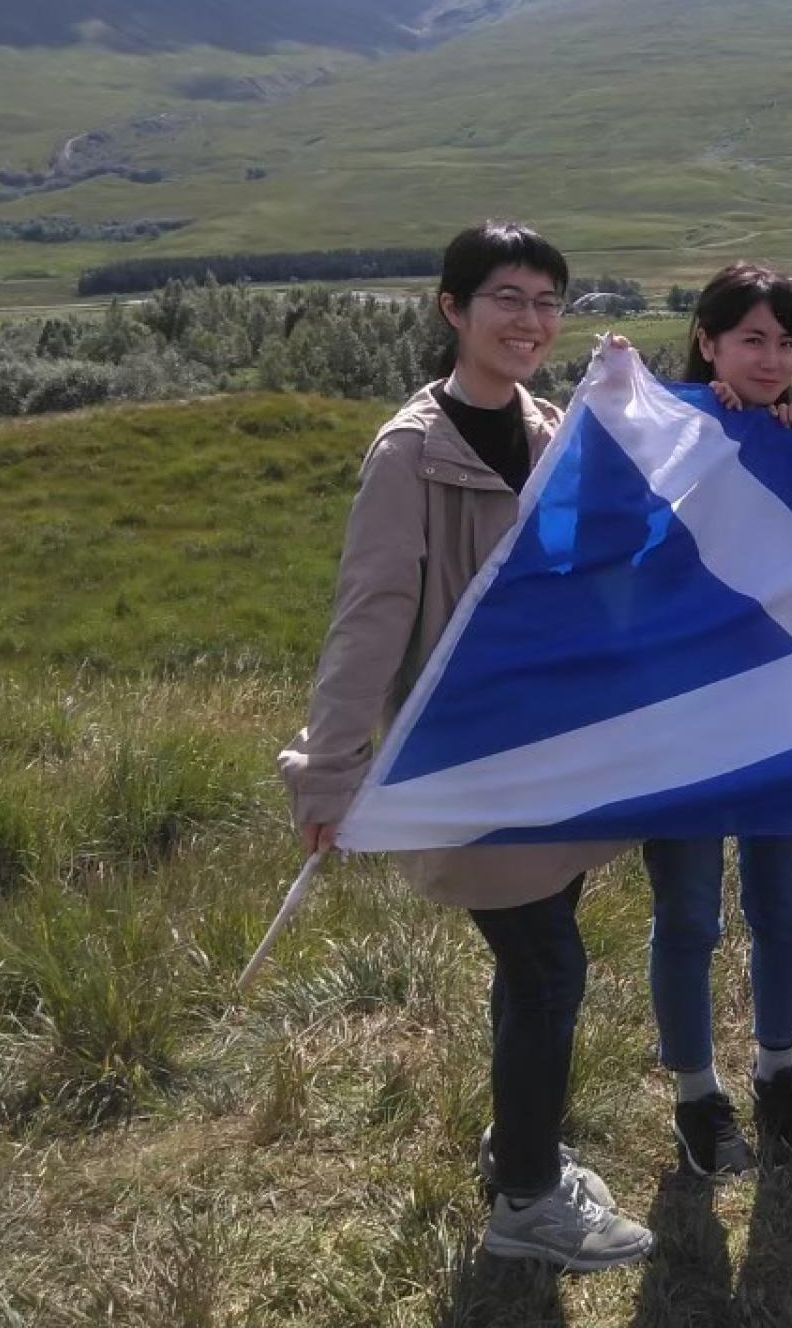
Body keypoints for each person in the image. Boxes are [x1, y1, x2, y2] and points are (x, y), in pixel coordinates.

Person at [277, 221, 653, 1271]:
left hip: (550, 764)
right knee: (547, 973)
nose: (531, 321)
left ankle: (518, 1145)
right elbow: (370, 615)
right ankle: (530, 1203)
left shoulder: (548, 431)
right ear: (453, 309)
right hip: (469, 765)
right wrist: (331, 769)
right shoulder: (412, 453)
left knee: (533, 967)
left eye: (548, 302)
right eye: (507, 299)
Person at [644, 262, 792, 1177]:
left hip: (781, 718)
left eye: (787, 341)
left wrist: (786, 443)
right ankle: (696, 1094)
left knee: (782, 909)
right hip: (685, 719)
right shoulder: (663, 439)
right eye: (752, 339)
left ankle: (778, 1070)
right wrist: (701, 424)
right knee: (688, 915)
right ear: (707, 344)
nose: (773, 358)